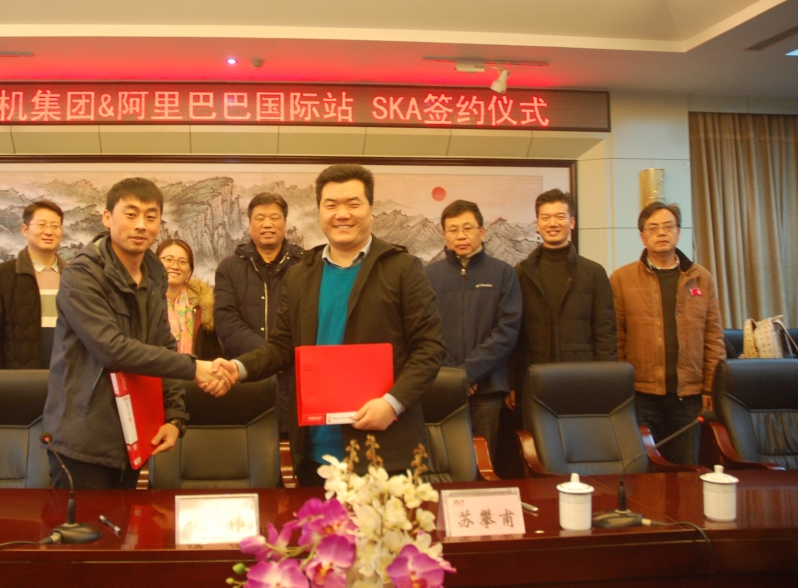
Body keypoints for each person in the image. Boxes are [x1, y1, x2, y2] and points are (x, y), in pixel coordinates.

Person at [212, 164, 446, 486]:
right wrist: (238, 368)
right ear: (320, 211)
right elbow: (281, 346)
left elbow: (429, 347)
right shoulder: (301, 274)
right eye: (331, 205)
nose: (342, 214)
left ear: (371, 210)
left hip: (384, 449)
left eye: (353, 204)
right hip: (315, 452)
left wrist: (392, 404)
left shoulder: (402, 269)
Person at [42, 178, 226, 489]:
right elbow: (112, 349)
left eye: (151, 217)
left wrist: (175, 416)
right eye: (131, 214)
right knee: (84, 521)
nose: (141, 224)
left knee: (127, 519)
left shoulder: (153, 276)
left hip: (133, 435)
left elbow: (164, 344)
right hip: (82, 438)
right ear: (107, 217)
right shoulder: (81, 275)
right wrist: (195, 367)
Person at [497, 188, 616, 478]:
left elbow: (605, 331)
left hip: (581, 378)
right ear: (537, 223)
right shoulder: (520, 273)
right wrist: (511, 381)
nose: (553, 223)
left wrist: (606, 379)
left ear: (571, 222)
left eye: (560, 216)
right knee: (536, 456)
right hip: (532, 380)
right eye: (545, 217)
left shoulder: (593, 273)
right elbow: (512, 332)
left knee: (581, 454)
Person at [610, 202, 725, 465]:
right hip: (640, 395)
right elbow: (616, 338)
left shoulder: (701, 278)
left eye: (668, 226)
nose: (661, 233)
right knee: (641, 467)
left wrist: (710, 387)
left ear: (678, 232)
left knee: (685, 470)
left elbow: (713, 337)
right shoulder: (622, 279)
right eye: (653, 228)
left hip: (688, 397)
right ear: (642, 236)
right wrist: (620, 389)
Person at [425, 199, 521, 462]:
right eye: (453, 229)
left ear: (482, 231)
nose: (461, 235)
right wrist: (454, 377)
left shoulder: (503, 273)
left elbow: (507, 330)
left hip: (487, 388)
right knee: (444, 461)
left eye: (467, 228)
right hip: (442, 386)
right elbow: (425, 330)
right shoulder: (428, 275)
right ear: (444, 235)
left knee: (483, 462)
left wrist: (469, 374)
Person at [214, 192, 303, 431]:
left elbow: (310, 321)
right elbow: (225, 322)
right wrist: (268, 357)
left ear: (285, 222)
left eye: (274, 217)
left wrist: (279, 357)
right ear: (250, 223)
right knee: (248, 444)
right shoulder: (229, 268)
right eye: (260, 218)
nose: (267, 224)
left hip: (294, 379)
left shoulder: (305, 266)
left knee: (292, 445)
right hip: (244, 376)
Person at [0, 200, 67, 370]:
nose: (49, 231)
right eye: (41, 225)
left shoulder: (74, 277)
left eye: (55, 226)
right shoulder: (1, 276)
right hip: (17, 377)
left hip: (65, 374)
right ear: (25, 229)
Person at [156, 238, 221, 360]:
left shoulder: (204, 308)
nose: (175, 266)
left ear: (189, 271)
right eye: (168, 259)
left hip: (194, 371)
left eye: (182, 261)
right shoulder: (144, 301)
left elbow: (211, 356)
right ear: (155, 264)